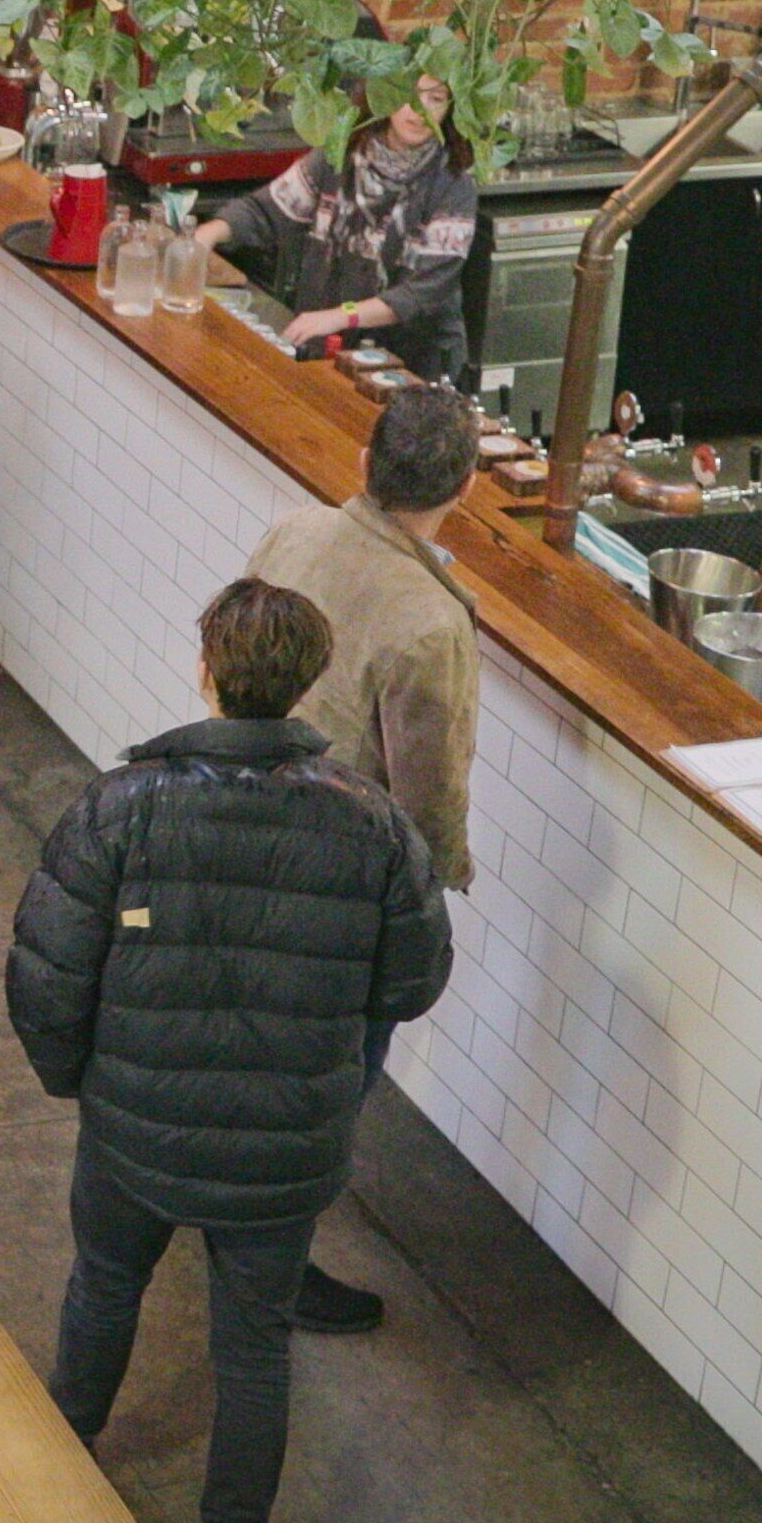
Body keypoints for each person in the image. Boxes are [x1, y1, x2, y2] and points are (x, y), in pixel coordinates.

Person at [5, 579, 451, 1523]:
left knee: (104, 1290)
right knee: (253, 1348)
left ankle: (46, 1476)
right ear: (306, 686)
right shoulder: (374, 827)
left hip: (133, 1135)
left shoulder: (120, 808)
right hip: (286, 1150)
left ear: (206, 669)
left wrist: (81, 1083)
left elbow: (46, 973)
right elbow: (414, 982)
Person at [244, 381, 481, 1335]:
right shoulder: (430, 622)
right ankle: (273, 1265)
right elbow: (427, 796)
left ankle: (218, 1205)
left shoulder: (292, 532)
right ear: (460, 488)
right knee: (324, 1089)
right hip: (331, 886)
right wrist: (439, 884)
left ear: (365, 459)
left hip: (240, 823)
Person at [192, 72, 480, 381]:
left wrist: (340, 316)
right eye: (409, 94)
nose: (419, 109)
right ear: (383, 94)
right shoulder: (340, 153)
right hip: (330, 349)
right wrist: (202, 238)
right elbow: (265, 210)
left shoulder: (454, 183)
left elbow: (424, 291)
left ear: (450, 110)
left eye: (435, 99)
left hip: (413, 365)